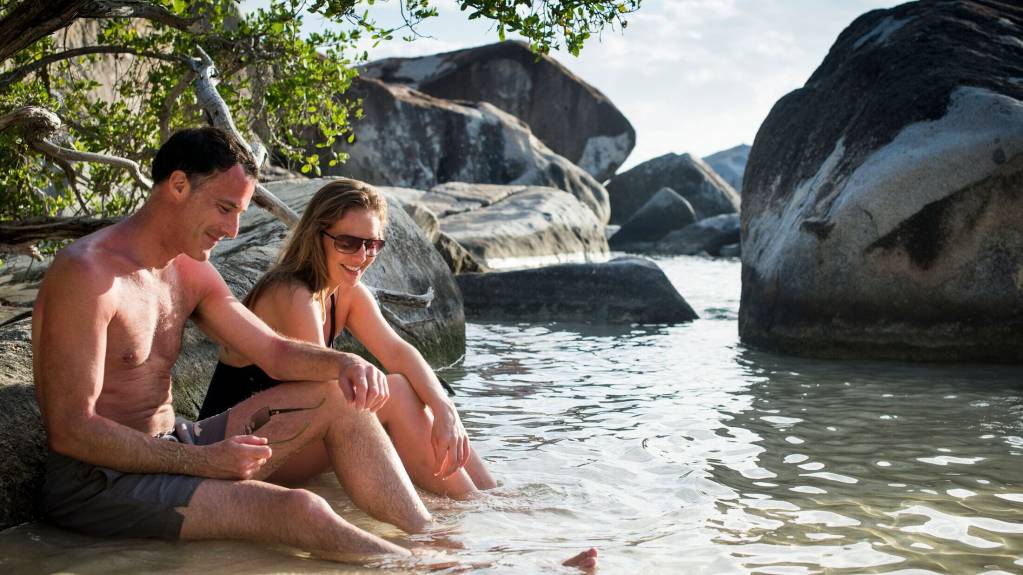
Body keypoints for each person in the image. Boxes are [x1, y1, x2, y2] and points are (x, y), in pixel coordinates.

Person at [31, 126, 598, 570]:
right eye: (224, 209)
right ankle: (438, 572)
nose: (232, 232)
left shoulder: (188, 273)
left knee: (341, 397)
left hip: (174, 443)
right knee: (301, 510)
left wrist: (346, 361)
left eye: (240, 214)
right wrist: (203, 461)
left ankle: (448, 550)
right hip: (96, 479)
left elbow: (276, 353)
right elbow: (71, 431)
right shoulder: (87, 275)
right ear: (177, 186)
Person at [198, 179, 496, 499]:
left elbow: (398, 352)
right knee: (395, 392)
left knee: (410, 387)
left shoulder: (346, 292)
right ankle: (471, 507)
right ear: (317, 236)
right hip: (237, 449)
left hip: (288, 435)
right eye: (348, 243)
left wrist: (446, 411)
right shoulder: (292, 293)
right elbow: (321, 394)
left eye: (373, 244)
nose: (362, 255)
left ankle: (490, 496)